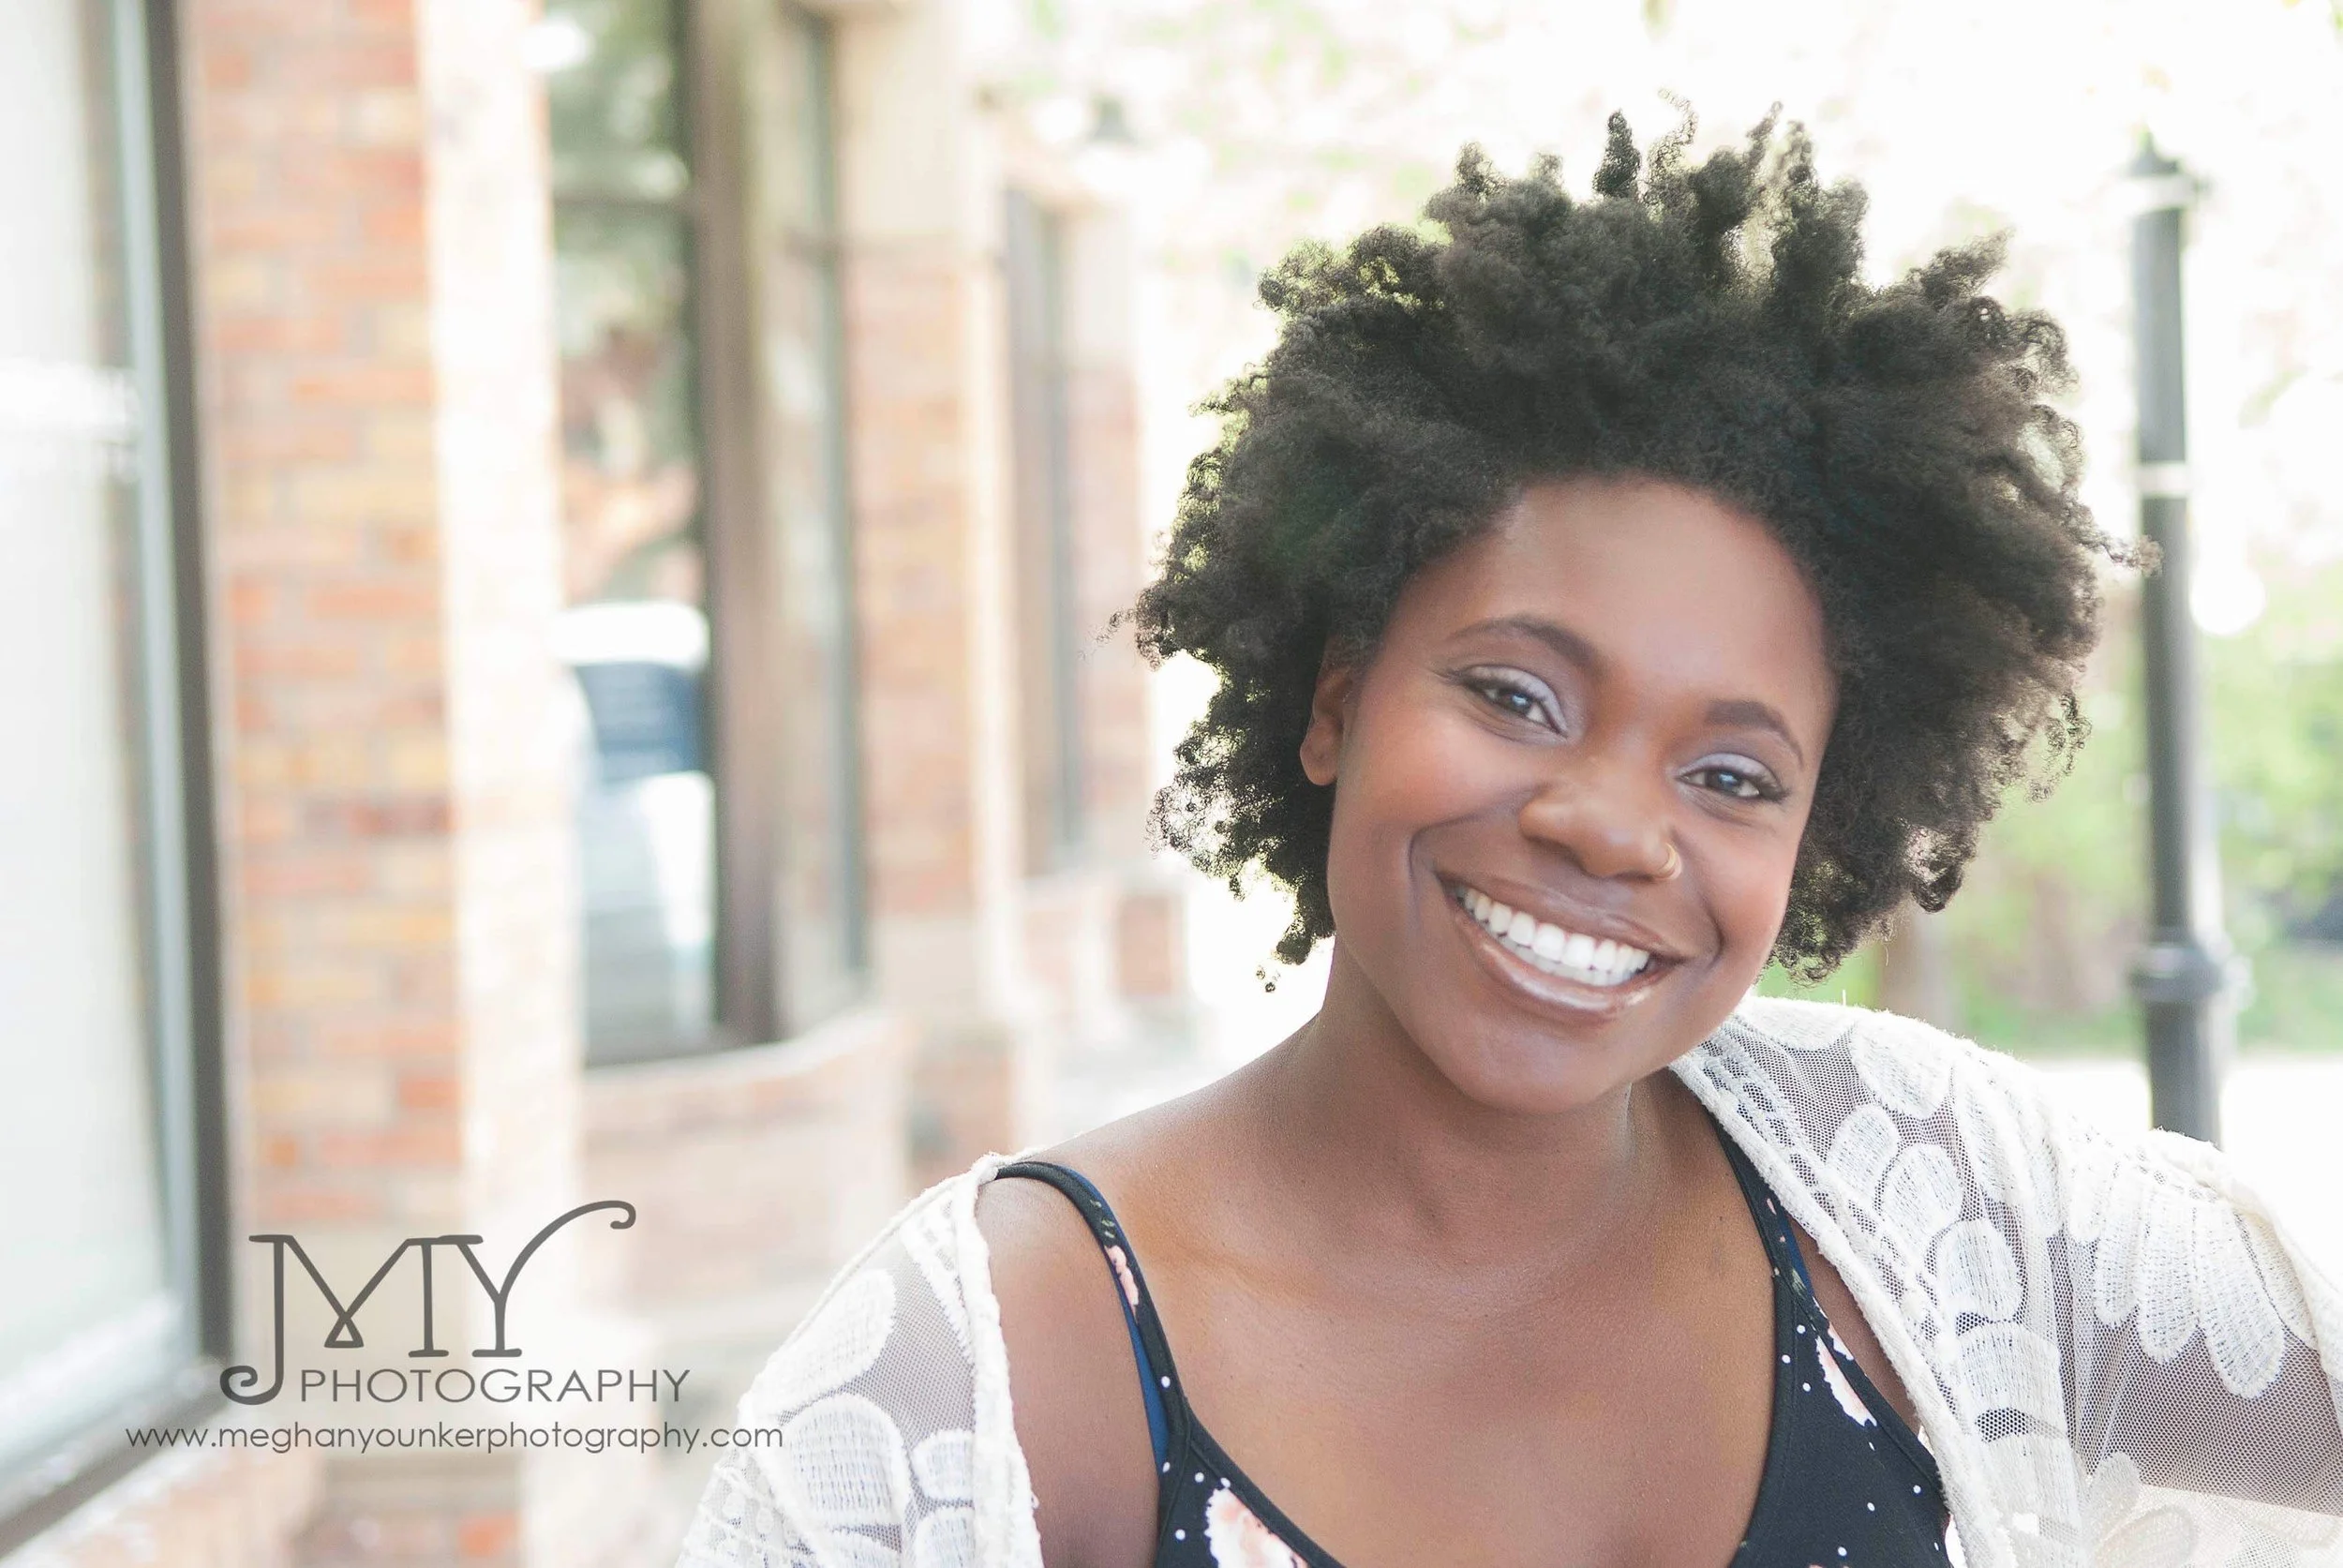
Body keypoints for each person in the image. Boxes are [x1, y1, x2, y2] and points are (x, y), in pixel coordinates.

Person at [679, 114, 2343, 1568]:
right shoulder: (985, 1375)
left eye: (1737, 778)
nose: (1614, 828)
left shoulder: (1927, 1205)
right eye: (1518, 695)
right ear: (1333, 703)